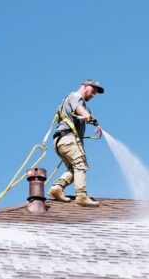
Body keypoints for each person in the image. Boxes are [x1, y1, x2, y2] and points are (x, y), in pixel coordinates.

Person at [48, 79, 104, 207]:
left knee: (75, 169)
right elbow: (79, 108)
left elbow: (87, 114)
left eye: (95, 93)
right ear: (85, 86)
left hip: (61, 141)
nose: (93, 95)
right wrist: (84, 113)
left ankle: (57, 188)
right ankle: (81, 196)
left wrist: (96, 123)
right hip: (69, 138)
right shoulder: (75, 97)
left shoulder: (79, 103)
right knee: (81, 165)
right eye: (92, 91)